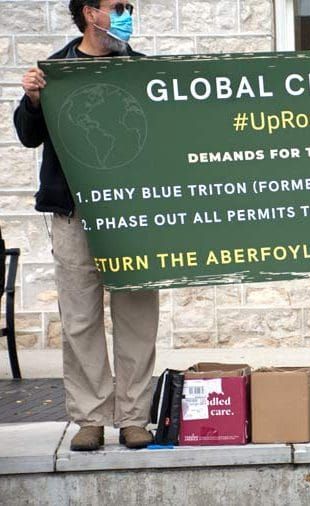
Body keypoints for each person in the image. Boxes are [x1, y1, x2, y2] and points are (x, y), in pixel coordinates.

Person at [14, 0, 159, 451]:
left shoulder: (143, 71)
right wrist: (33, 100)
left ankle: (134, 416)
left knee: (137, 315)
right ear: (89, 13)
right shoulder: (55, 71)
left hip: (133, 215)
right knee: (80, 319)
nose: (126, 14)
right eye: (118, 6)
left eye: (129, 7)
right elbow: (27, 134)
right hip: (73, 216)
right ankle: (91, 418)